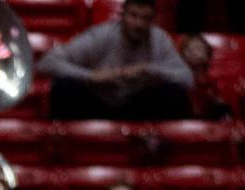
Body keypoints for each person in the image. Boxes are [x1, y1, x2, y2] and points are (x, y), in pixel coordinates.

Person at [39, 0, 193, 121]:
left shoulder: (159, 39)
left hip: (138, 106)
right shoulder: (101, 35)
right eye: (133, 16)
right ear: (122, 15)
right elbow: (46, 63)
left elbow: (187, 78)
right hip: (97, 102)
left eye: (145, 18)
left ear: (152, 21)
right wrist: (91, 76)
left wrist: (148, 69)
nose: (139, 24)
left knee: (176, 95)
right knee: (63, 89)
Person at [180, 34, 233, 121]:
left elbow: (218, 102)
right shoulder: (178, 76)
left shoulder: (210, 81)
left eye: (198, 49)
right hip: (184, 119)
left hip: (207, 120)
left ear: (208, 55)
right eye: (189, 50)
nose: (194, 53)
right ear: (182, 56)